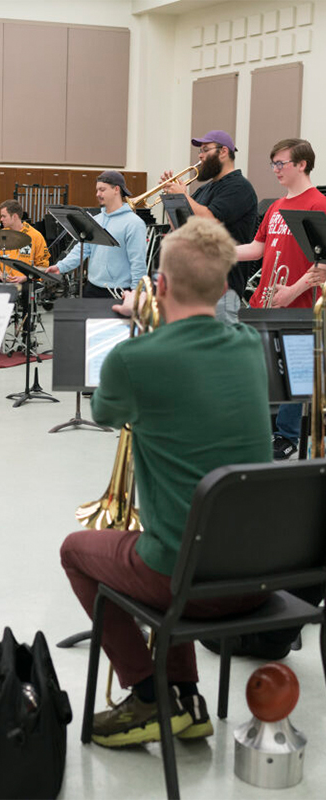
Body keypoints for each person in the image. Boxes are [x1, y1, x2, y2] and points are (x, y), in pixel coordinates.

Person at [60, 216, 271, 748]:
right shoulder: (249, 344)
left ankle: (149, 694)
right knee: (168, 537)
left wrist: (141, 322)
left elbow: (107, 414)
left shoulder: (134, 358)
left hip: (188, 585)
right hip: (258, 576)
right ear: (225, 286)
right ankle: (187, 699)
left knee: (76, 550)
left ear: (161, 285)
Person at [236, 138, 326, 460]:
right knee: (264, 369)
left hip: (298, 305)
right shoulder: (275, 206)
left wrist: (292, 291)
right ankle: (264, 429)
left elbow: (323, 264)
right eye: (273, 163)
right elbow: (259, 248)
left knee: (290, 372)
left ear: (301, 164)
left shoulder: (318, 204)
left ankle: (286, 436)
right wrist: (218, 251)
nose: (275, 169)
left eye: (280, 163)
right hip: (266, 300)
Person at [160, 130, 258, 324]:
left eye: (205, 150)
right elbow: (181, 227)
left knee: (220, 350)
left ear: (223, 152)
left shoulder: (239, 187)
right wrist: (173, 200)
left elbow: (211, 220)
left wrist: (184, 197)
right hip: (194, 285)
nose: (200, 155)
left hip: (223, 286)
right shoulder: (205, 188)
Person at [47, 171, 146, 297]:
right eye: (97, 190)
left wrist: (137, 294)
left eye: (102, 189)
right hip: (92, 288)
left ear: (116, 189)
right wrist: (61, 267)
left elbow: (138, 263)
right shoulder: (96, 220)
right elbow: (82, 250)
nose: (98, 194)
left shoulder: (134, 223)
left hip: (118, 292)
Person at [0, 200, 49, 283]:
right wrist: (1, 275)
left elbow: (43, 266)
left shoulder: (35, 236)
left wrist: (25, 277)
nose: (1, 219)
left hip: (27, 281)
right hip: (3, 281)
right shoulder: (1, 235)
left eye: (4, 216)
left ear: (15, 216)